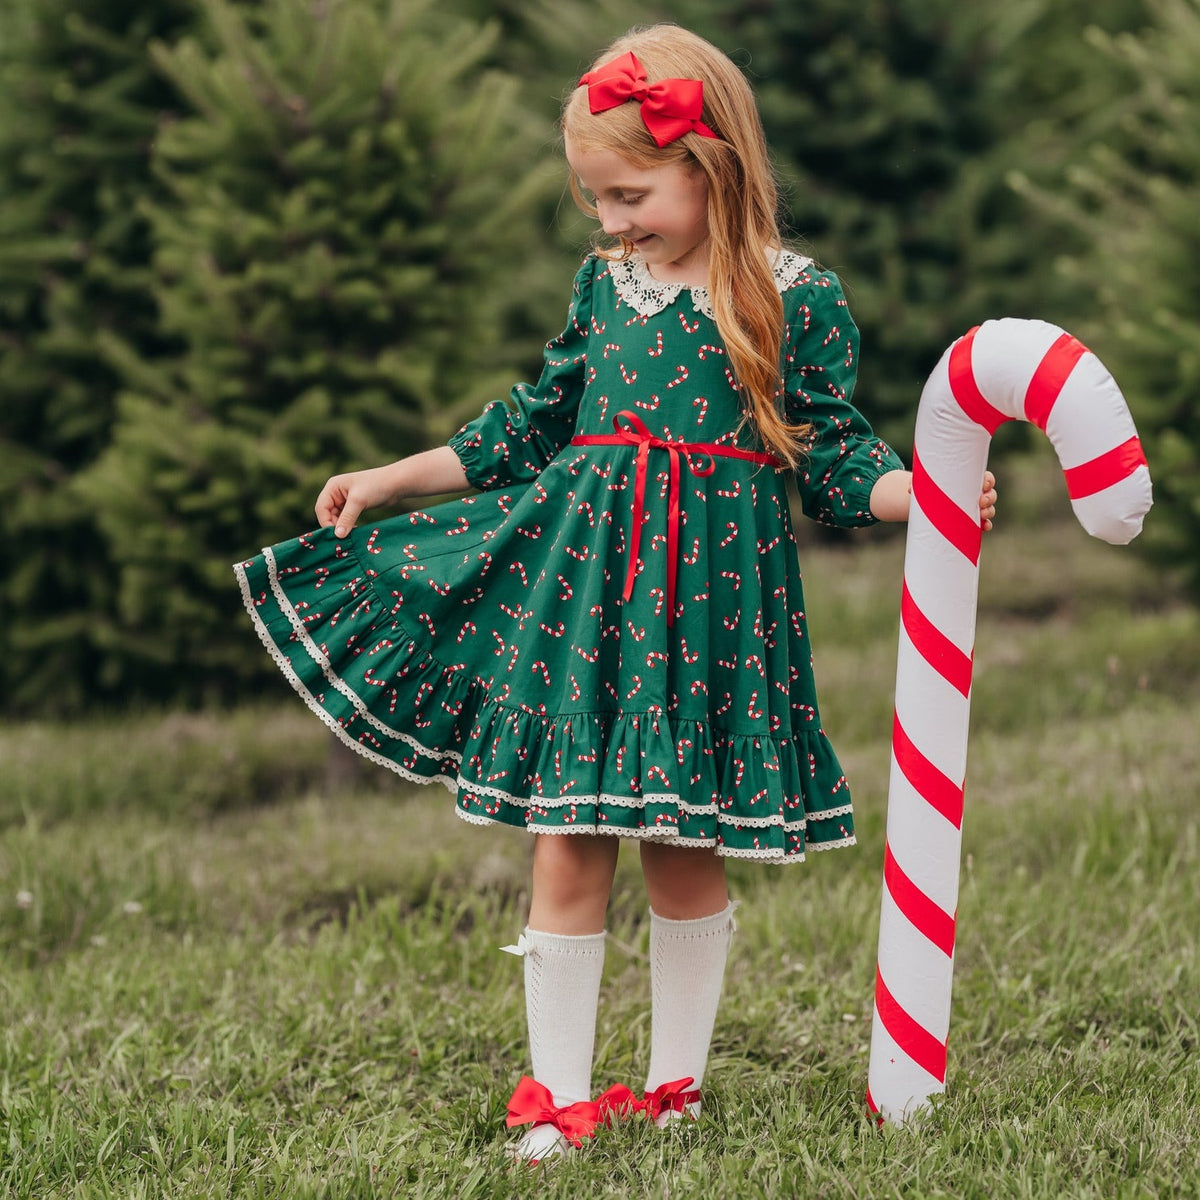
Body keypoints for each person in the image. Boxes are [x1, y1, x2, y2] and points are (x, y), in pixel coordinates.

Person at [234, 23, 998, 1165]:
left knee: (685, 848)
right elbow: (525, 426)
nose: (609, 221)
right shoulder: (608, 291)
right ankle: (558, 1098)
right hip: (584, 607)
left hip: (710, 618)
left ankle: (675, 1087)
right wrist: (397, 477)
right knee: (567, 836)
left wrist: (923, 495)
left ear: (713, 167)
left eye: (629, 193)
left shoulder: (793, 298)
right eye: (594, 199)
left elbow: (834, 454)